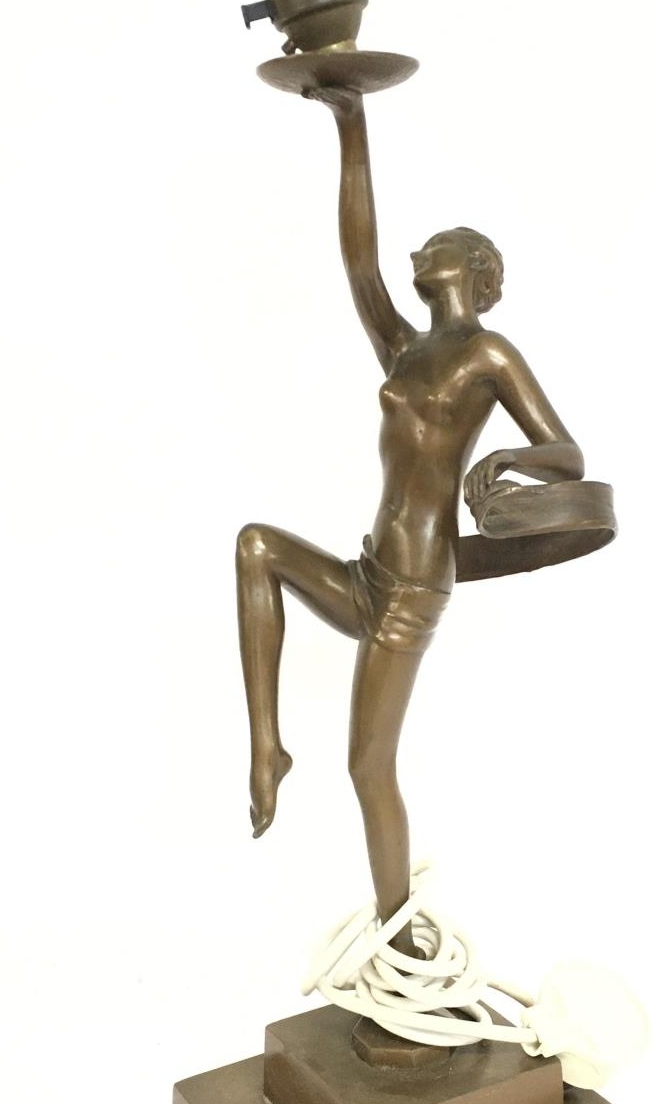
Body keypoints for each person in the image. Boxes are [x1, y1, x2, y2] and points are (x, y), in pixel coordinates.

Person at [236, 85, 584, 955]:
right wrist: (349, 121)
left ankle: (399, 940)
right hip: (368, 571)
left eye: (437, 245)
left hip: (413, 586)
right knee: (256, 547)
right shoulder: (404, 347)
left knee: (368, 766)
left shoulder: (487, 353)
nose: (416, 253)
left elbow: (567, 454)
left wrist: (506, 462)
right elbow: (358, 261)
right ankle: (268, 747)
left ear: (470, 267)